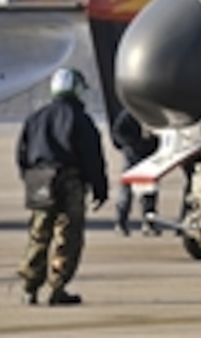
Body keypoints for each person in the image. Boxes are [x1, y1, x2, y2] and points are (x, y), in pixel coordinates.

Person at [15, 67, 108, 306]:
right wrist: (99, 187)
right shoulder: (81, 119)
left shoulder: (35, 118)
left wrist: (28, 177)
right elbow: (92, 157)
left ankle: (29, 288)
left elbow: (22, 154)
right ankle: (58, 288)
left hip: (39, 177)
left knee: (38, 234)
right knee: (68, 235)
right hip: (69, 180)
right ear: (77, 89)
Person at [110, 107, 160, 236]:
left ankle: (149, 223)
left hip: (149, 156)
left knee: (149, 190)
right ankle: (121, 222)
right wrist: (133, 144)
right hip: (133, 155)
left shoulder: (154, 113)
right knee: (126, 191)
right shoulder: (130, 113)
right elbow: (118, 132)